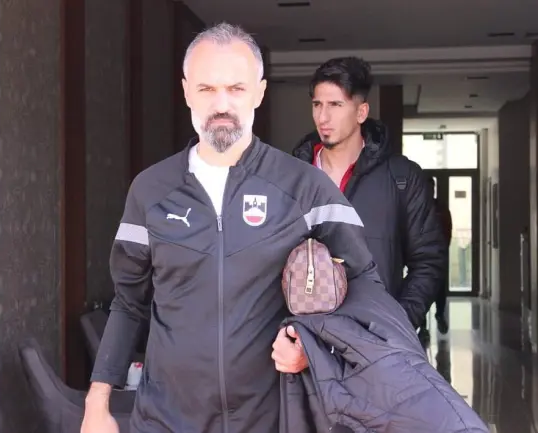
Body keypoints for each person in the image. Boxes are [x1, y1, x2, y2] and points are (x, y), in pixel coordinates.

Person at [81, 23, 382, 433]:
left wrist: (313, 348)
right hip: (166, 420)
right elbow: (128, 303)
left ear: (259, 92)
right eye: (207, 89)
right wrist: (97, 402)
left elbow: (365, 287)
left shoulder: (305, 187)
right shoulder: (150, 190)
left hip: (271, 420)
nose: (221, 104)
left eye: (236, 89)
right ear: (186, 92)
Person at [292, 57, 447, 336]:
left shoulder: (402, 177)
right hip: (305, 340)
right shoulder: (291, 177)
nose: (322, 117)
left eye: (335, 105)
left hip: (376, 342)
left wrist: (396, 326)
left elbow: (428, 261)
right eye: (317, 105)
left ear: (361, 112)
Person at [418, 175, 453, 338]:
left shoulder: (440, 207)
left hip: (438, 253)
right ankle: (422, 326)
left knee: (439, 287)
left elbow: (447, 228)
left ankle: (439, 314)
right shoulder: (417, 206)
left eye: (431, 187)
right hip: (420, 254)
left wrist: (443, 248)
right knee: (421, 289)